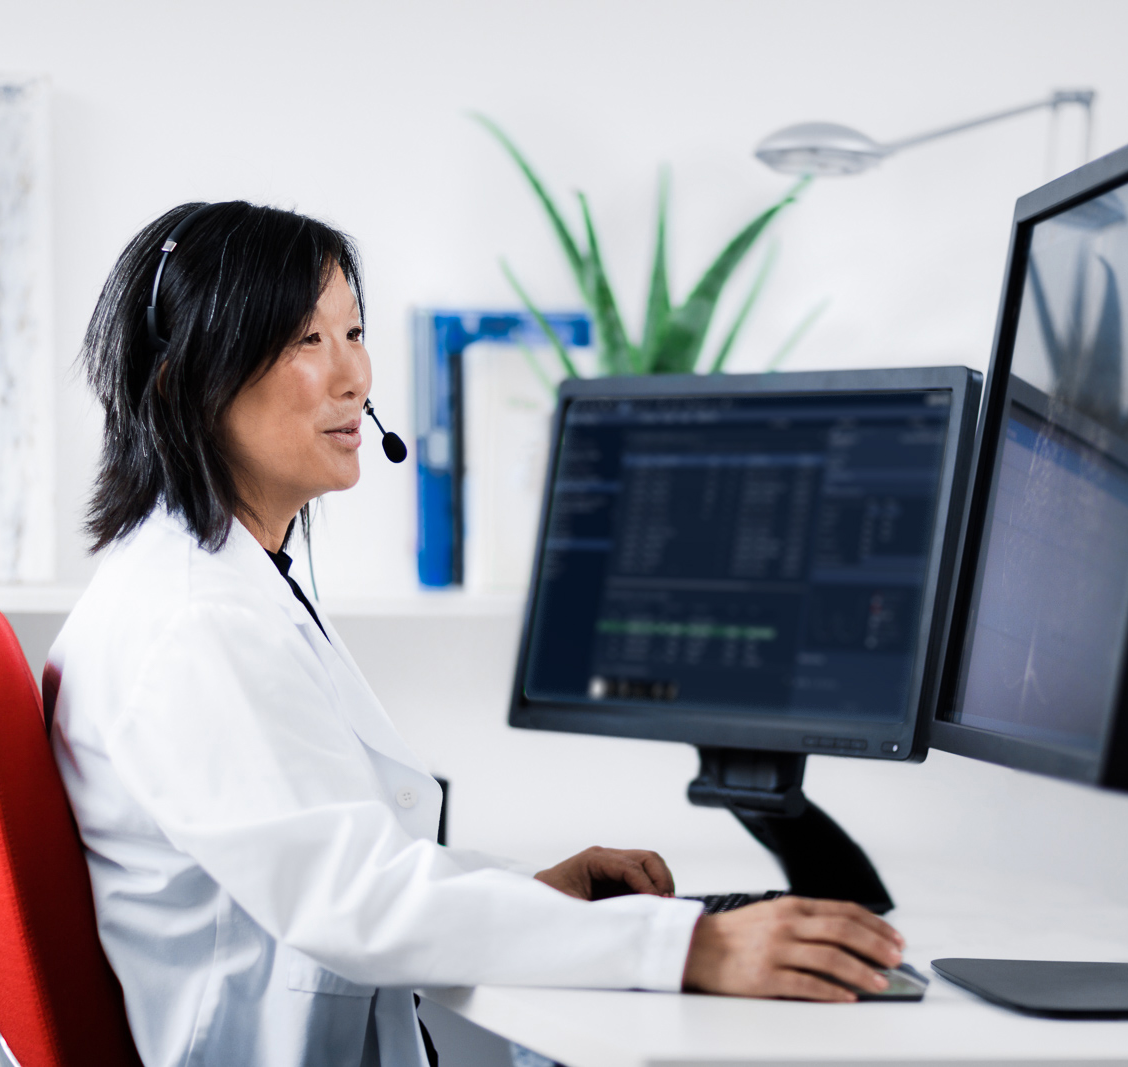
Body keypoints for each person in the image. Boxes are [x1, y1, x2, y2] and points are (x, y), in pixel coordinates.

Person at [49, 201, 905, 1067]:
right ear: (187, 380)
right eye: (307, 341)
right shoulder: (192, 623)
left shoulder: (223, 582)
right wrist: (690, 948)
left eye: (353, 331)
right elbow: (351, 900)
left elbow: (338, 855)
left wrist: (528, 895)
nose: (354, 376)